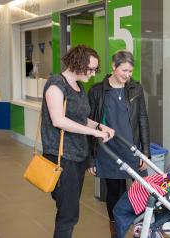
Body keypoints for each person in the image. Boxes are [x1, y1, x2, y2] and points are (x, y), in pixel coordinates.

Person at [41, 45, 115, 238]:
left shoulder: (80, 87)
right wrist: (93, 133)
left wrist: (99, 126)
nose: (92, 73)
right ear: (76, 63)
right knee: (68, 214)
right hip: (62, 155)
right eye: (90, 69)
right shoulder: (56, 84)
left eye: (94, 69)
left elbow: (81, 118)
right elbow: (59, 120)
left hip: (78, 156)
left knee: (69, 209)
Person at [88, 50, 151, 237]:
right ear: (113, 67)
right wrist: (91, 158)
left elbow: (143, 119)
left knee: (145, 190)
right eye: (124, 70)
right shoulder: (97, 91)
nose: (128, 75)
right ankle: (117, 230)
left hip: (132, 149)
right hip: (109, 151)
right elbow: (90, 124)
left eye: (130, 71)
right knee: (114, 193)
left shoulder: (135, 89)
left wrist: (145, 151)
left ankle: (143, 228)